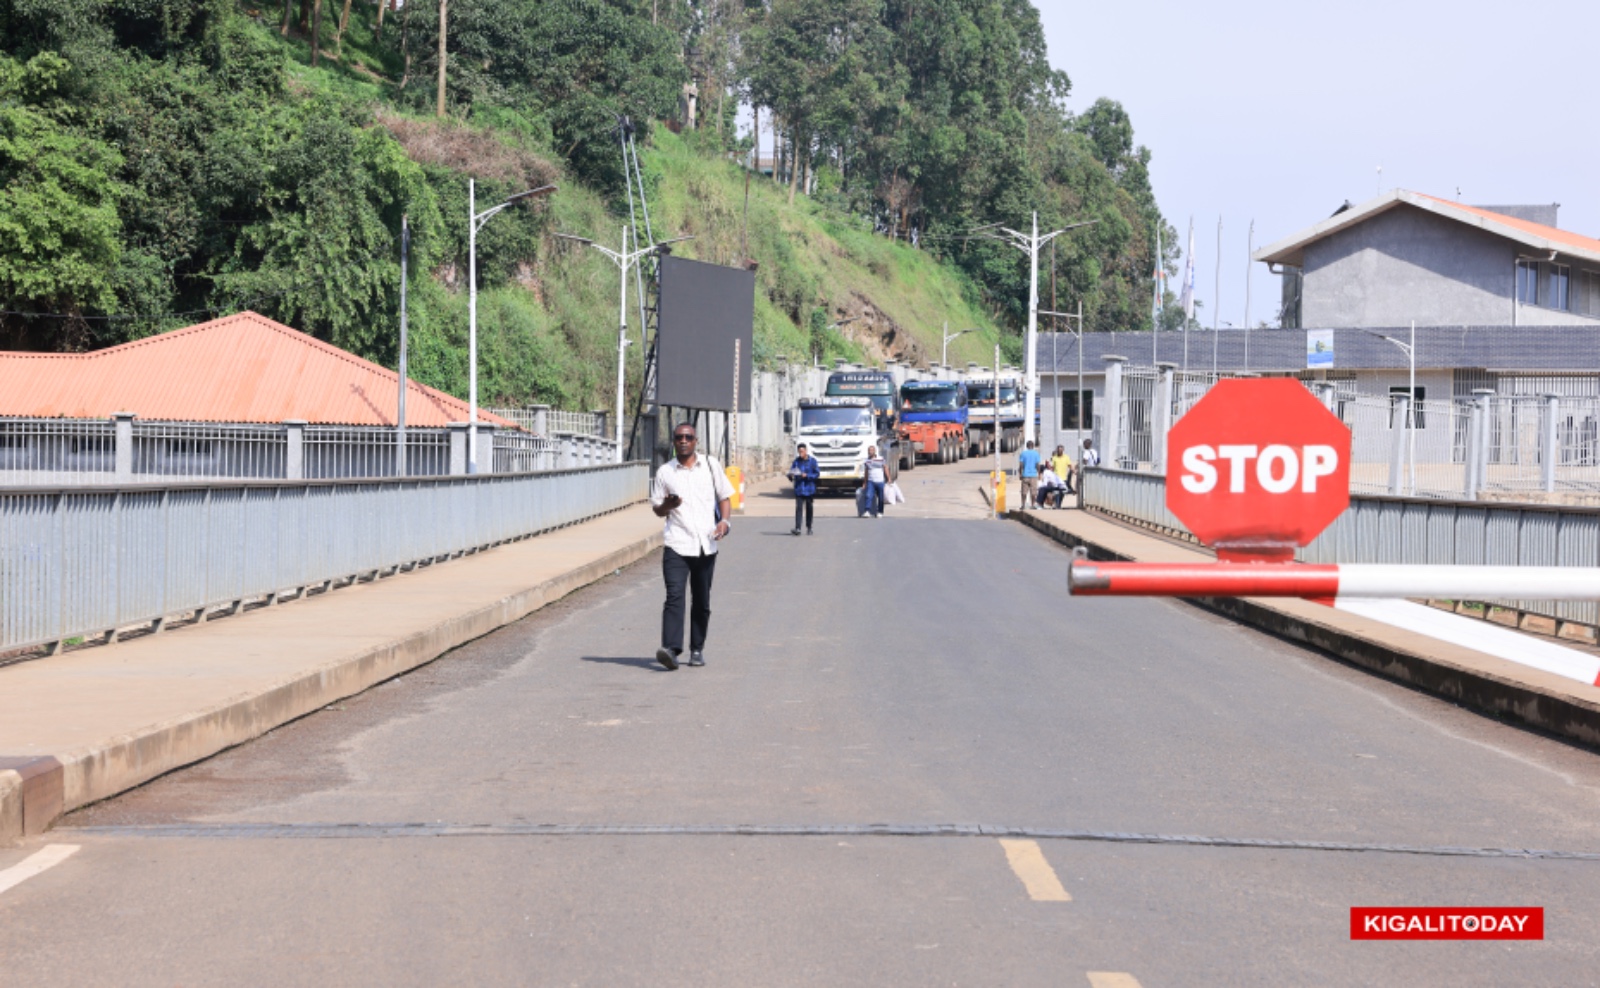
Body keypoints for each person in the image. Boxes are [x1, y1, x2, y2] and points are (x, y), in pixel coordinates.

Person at [650, 423, 734, 670]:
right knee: (674, 596)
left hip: (706, 544)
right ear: (674, 442)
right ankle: (671, 650)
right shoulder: (665, 472)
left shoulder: (710, 465)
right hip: (677, 542)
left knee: (702, 600)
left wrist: (724, 522)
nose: (683, 441)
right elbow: (657, 509)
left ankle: (697, 648)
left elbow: (724, 497)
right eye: (678, 437)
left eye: (688, 437)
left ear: (696, 441)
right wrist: (668, 505)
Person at [789, 443, 820, 535]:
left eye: (802, 451)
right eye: (799, 452)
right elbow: (791, 471)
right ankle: (798, 528)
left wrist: (807, 476)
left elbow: (817, 474)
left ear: (806, 451)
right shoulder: (796, 462)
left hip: (809, 488)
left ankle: (809, 527)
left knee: (809, 508)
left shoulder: (812, 461)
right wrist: (791, 475)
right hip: (799, 488)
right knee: (799, 508)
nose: (801, 454)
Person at [861, 445, 888, 518]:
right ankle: (867, 511)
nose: (870, 452)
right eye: (869, 450)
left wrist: (889, 478)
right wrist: (864, 482)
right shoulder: (867, 461)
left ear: (874, 451)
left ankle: (880, 511)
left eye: (872, 450)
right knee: (868, 495)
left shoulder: (881, 459)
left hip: (880, 481)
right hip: (871, 481)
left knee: (881, 497)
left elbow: (885, 468)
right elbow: (866, 472)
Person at [1016, 440, 1041, 509]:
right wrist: (1039, 474)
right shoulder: (1036, 454)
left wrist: (1020, 473)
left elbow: (1021, 465)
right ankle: (1032, 505)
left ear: (1027, 446)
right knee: (1033, 492)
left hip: (1025, 475)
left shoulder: (1023, 454)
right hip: (1033, 475)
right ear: (1033, 446)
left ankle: (1023, 505)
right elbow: (1038, 465)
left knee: (1024, 491)